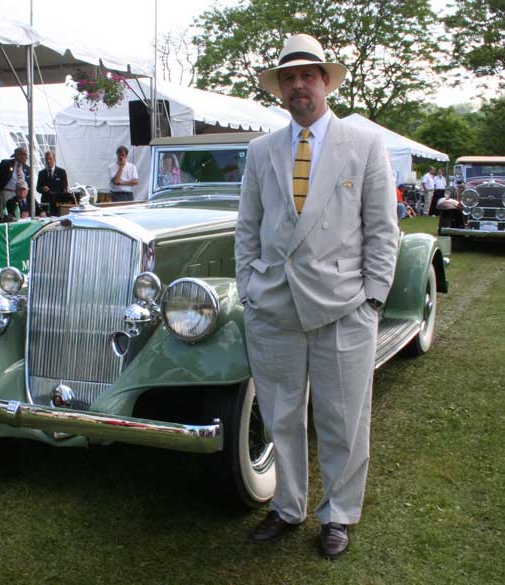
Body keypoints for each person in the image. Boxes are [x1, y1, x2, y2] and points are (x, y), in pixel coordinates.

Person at [235, 34, 399, 559]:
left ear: (326, 81)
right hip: (275, 308)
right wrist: (249, 289)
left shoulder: (365, 145)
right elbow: (247, 229)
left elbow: (383, 229)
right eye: (289, 77)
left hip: (344, 306)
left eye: (309, 75)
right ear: (280, 89)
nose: (299, 84)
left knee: (342, 418)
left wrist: (372, 298)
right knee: (281, 415)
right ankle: (287, 506)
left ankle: (339, 514)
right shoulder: (261, 151)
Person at [36, 150, 69, 216]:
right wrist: (43, 188)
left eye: (50, 159)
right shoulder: (41, 173)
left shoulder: (61, 172)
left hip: (57, 203)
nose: (48, 161)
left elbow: (65, 188)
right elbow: (38, 188)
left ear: (54, 159)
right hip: (46, 203)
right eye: (46, 159)